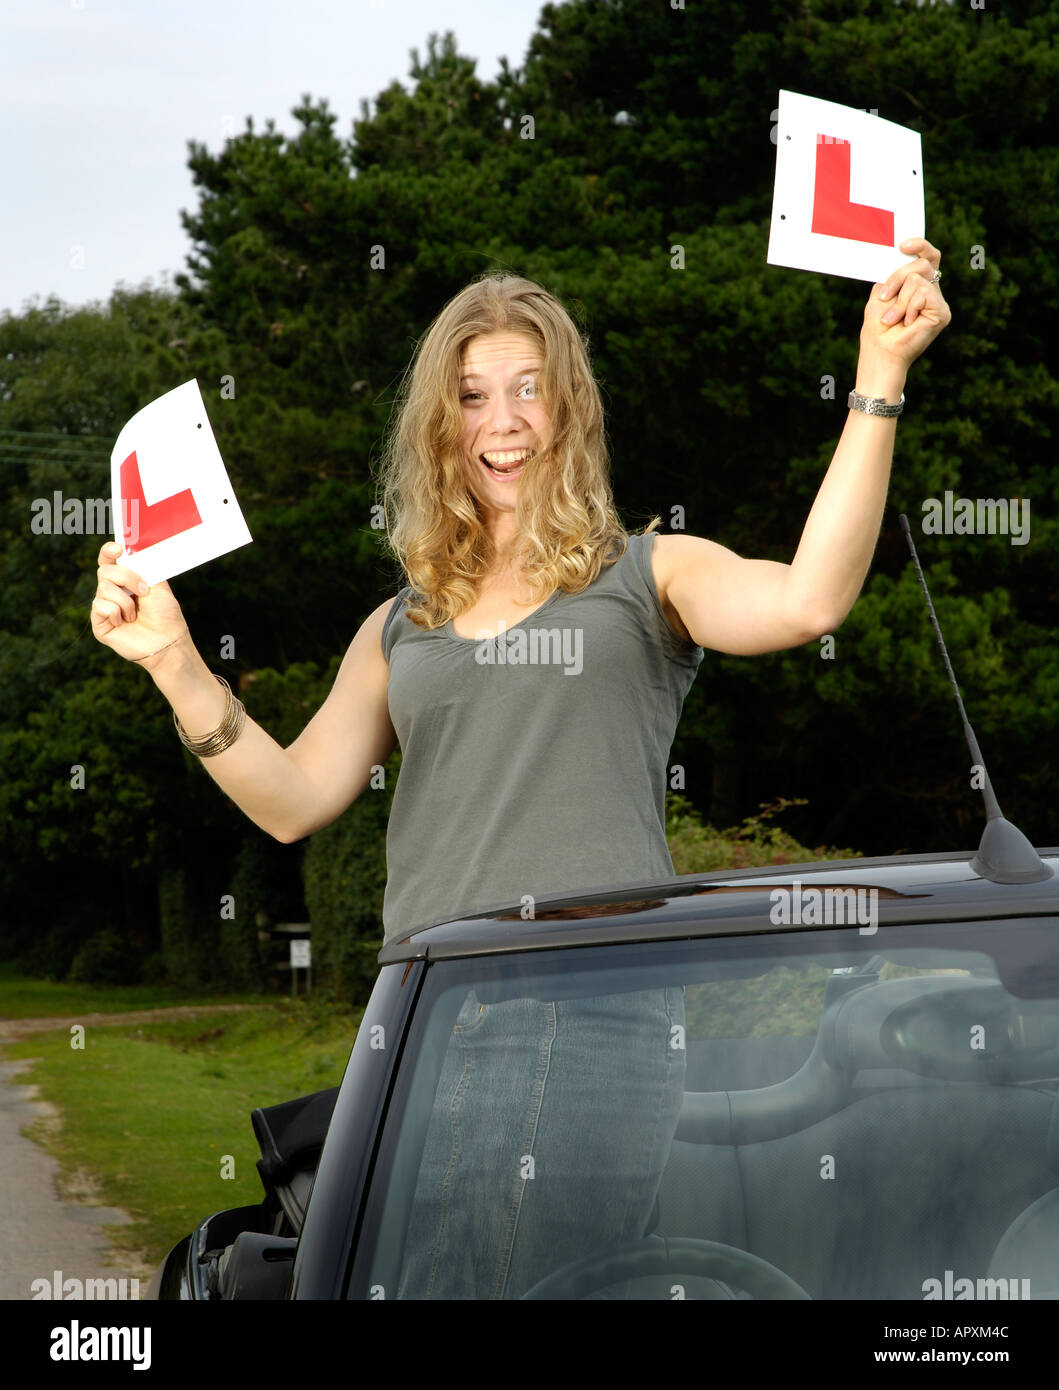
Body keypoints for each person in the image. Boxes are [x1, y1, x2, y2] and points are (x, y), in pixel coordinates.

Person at [91, 246, 950, 1297]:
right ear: (439, 425)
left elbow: (809, 599)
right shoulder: (400, 621)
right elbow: (294, 801)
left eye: (527, 390)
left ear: (569, 411)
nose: (501, 421)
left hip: (594, 1021)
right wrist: (175, 662)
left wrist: (879, 376)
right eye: (471, 396)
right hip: (420, 1019)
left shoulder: (649, 574)